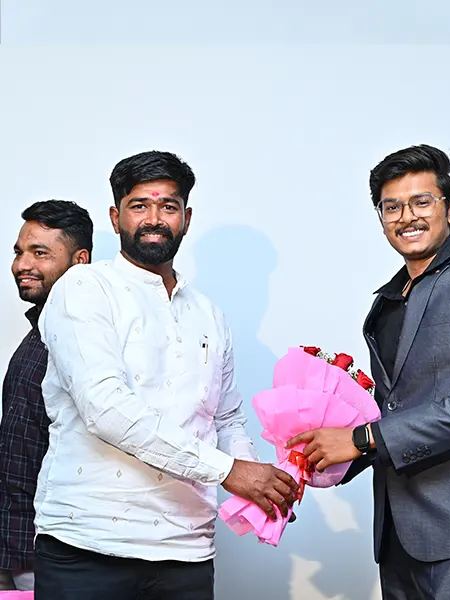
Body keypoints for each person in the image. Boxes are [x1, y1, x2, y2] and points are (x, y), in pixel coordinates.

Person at [33, 150, 299, 600]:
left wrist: (262, 484)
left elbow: (226, 418)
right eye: (139, 205)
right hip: (89, 546)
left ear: (186, 219)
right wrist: (230, 471)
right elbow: (106, 409)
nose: (154, 219)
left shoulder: (209, 314)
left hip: (186, 551)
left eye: (168, 206)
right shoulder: (84, 288)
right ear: (116, 217)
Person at [287, 144, 450, 599]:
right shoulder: (386, 301)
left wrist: (361, 438)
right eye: (392, 207)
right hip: (397, 534)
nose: (407, 217)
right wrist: (317, 459)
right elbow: (394, 409)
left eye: (422, 201)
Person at [0, 200, 93, 591]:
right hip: (18, 546)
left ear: (79, 261)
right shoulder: (36, 334)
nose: (22, 264)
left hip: (56, 552)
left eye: (40, 253)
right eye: (19, 252)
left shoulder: (88, 340)